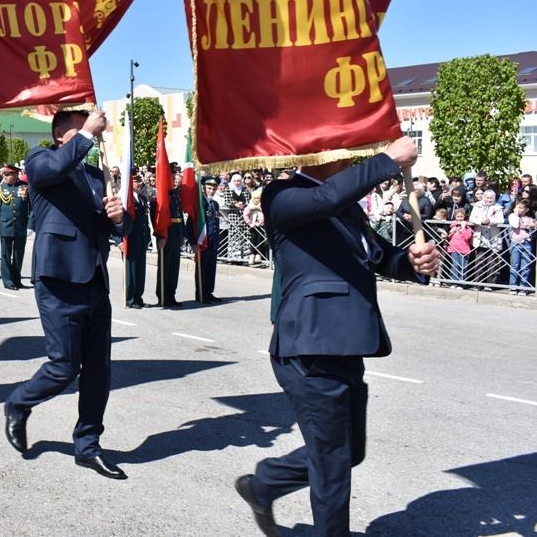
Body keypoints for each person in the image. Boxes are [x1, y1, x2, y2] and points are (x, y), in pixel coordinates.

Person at [236, 137, 439, 537]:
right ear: (319, 153)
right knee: (332, 464)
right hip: (309, 346)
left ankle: (265, 483)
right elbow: (322, 200)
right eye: (342, 149)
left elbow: (380, 256)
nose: (350, 156)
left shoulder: (347, 208)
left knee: (349, 453)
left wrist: (413, 261)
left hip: (347, 345)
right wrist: (386, 161)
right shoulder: (283, 194)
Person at [3, 109, 131, 480]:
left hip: (93, 279)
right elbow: (48, 172)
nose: (93, 125)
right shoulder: (41, 159)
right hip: (57, 277)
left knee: (98, 372)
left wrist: (118, 217)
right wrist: (87, 134)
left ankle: (87, 446)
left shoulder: (96, 175)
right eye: (82, 123)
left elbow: (117, 229)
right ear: (62, 134)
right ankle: (18, 403)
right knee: (63, 365)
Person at [0, 162, 32, 290]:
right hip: (6, 225)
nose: (5, 177)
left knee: (19, 255)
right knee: (6, 255)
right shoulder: (1, 189)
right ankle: (8, 281)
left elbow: (32, 208)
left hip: (20, 226)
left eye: (7, 175)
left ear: (15, 174)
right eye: (4, 175)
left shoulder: (25, 187)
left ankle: (17, 279)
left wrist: (31, 225)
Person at [152, 172, 185, 307]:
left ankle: (171, 294)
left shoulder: (175, 194)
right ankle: (162, 296)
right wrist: (160, 236)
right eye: (171, 177)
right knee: (165, 266)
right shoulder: (161, 196)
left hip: (176, 233)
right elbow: (156, 218)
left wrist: (182, 234)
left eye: (174, 177)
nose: (173, 180)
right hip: (166, 233)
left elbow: (180, 215)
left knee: (174, 266)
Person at [121, 172, 151, 308]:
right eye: (136, 181)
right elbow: (118, 220)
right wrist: (118, 240)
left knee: (140, 271)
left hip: (142, 239)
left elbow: (144, 220)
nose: (139, 184)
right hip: (130, 240)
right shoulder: (125, 200)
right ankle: (130, 298)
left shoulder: (142, 199)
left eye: (140, 181)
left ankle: (138, 296)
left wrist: (148, 237)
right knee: (131, 271)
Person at [469, 189, 504, 290]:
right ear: (484, 197)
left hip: (493, 238)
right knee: (480, 261)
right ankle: (478, 284)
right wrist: (481, 221)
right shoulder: (477, 205)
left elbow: (501, 219)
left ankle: (490, 284)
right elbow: (472, 218)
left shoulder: (498, 207)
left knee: (492, 262)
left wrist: (490, 221)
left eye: (491, 198)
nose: (489, 200)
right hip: (480, 237)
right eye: (487, 197)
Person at [196, 177, 222, 303]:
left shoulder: (215, 204)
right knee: (202, 268)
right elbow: (194, 222)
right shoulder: (200, 204)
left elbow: (216, 222)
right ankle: (201, 293)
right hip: (203, 240)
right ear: (204, 188)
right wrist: (193, 241)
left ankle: (208, 291)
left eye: (214, 188)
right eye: (209, 188)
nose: (212, 191)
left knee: (211, 267)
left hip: (213, 240)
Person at [507, 200, 535, 295]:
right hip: (515, 242)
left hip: (527, 242)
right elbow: (515, 225)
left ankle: (523, 287)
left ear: (526, 210)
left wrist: (531, 226)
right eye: (517, 207)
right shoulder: (512, 216)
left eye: (521, 208)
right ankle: (513, 286)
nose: (518, 209)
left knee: (525, 266)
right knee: (515, 265)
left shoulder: (530, 218)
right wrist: (516, 214)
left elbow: (532, 227)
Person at [446, 208, 473, 286]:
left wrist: (463, 228)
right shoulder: (453, 226)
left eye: (461, 216)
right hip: (454, 248)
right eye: (458, 217)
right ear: (455, 217)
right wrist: (451, 231)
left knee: (463, 266)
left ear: (464, 217)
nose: (460, 218)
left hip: (464, 249)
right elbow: (449, 237)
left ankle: (462, 283)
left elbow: (467, 237)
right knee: (455, 265)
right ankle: (454, 282)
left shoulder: (467, 227)